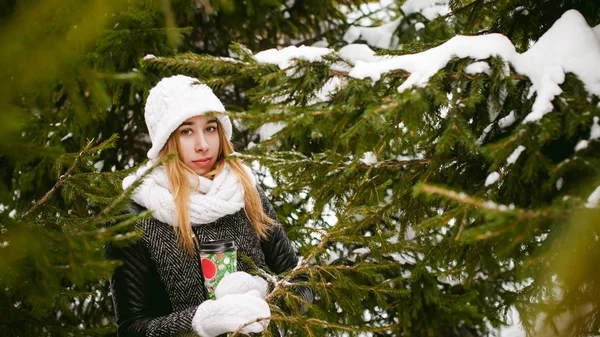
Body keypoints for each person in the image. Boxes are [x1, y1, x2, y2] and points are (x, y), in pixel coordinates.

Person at [106, 75, 312, 337]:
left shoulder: (245, 191)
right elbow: (132, 329)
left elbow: (299, 279)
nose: (203, 145)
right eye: (187, 131)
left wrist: (266, 308)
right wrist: (201, 321)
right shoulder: (134, 217)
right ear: (166, 141)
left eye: (211, 128)